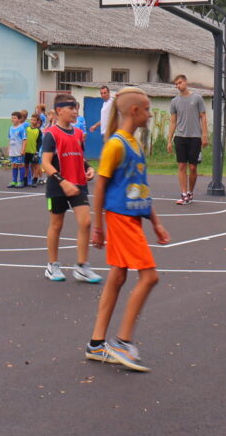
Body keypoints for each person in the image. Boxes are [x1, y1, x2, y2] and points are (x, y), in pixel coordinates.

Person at [87, 88, 170, 371]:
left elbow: (141, 189)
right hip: (120, 219)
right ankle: (122, 341)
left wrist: (155, 221)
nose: (149, 114)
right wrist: (98, 226)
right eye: (147, 109)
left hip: (133, 218)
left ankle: (96, 344)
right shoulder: (116, 145)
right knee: (150, 277)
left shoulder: (135, 144)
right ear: (134, 111)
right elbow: (100, 186)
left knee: (118, 277)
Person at [40, 93, 102, 284]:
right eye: (71, 108)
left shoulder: (77, 133)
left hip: (78, 185)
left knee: (85, 223)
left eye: (76, 108)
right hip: (58, 187)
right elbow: (46, 163)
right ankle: (52, 265)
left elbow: (77, 155)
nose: (76, 112)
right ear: (59, 111)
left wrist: (88, 167)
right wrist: (62, 181)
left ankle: (82, 266)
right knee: (56, 225)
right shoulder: (51, 134)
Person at [168, 75, 209, 205]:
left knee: (192, 167)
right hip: (180, 137)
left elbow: (203, 117)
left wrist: (204, 135)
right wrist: (169, 140)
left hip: (195, 137)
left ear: (186, 82)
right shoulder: (174, 101)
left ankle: (190, 192)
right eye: (176, 84)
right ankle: (183, 194)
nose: (178, 86)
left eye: (179, 83)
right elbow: (173, 122)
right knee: (181, 165)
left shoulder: (197, 98)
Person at [5, 110, 28, 188]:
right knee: (14, 165)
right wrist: (9, 149)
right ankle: (14, 181)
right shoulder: (11, 128)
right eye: (12, 118)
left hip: (19, 150)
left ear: (19, 119)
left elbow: (24, 139)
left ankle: (21, 181)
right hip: (13, 151)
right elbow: (10, 139)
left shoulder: (21, 128)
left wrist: (23, 149)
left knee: (20, 165)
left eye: (14, 118)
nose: (13, 119)